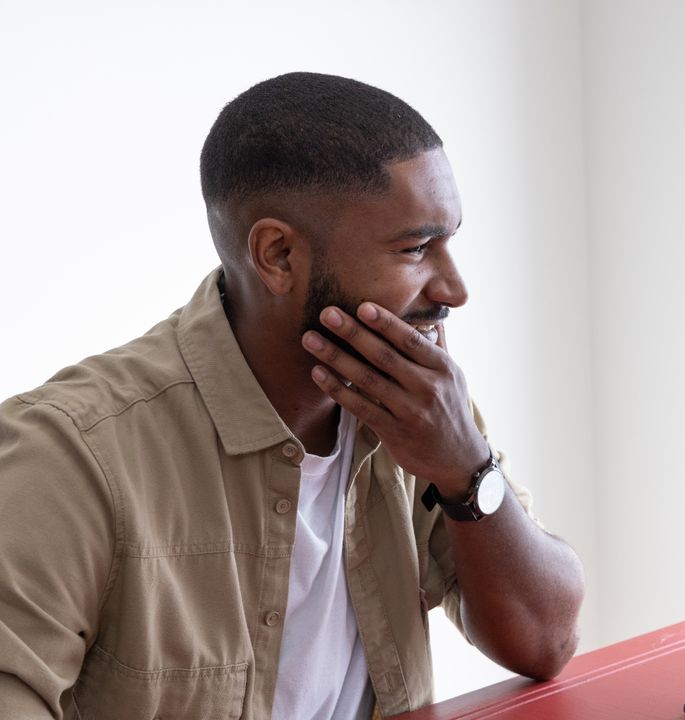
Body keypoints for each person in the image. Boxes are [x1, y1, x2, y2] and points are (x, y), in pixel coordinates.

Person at [0, 72, 585, 720]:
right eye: (417, 248)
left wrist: (466, 467)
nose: (453, 288)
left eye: (449, 242)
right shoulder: (68, 455)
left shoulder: (423, 415)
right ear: (278, 255)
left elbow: (546, 643)